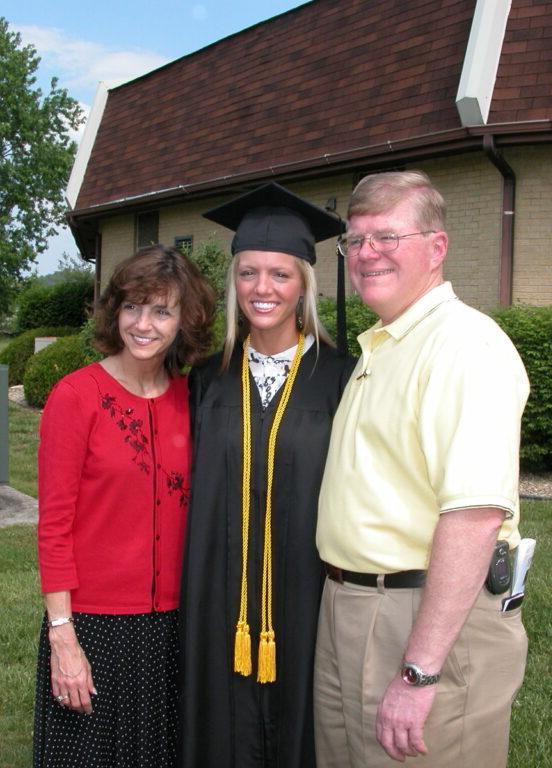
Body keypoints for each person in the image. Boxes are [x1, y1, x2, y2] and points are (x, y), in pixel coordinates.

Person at [314, 170, 530, 767]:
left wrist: (418, 672)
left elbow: (475, 518)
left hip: (420, 615)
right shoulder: (385, 345)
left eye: (386, 236)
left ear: (436, 247)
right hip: (350, 606)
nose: (366, 254)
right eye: (354, 241)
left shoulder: (463, 347)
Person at [179, 182, 356, 768]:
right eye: (249, 273)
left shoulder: (341, 378)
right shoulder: (207, 380)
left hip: (306, 591)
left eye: (280, 274)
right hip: (216, 593)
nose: (263, 288)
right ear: (234, 283)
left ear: (304, 283)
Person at [33, 245, 215, 768]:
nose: (144, 324)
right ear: (115, 311)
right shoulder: (76, 397)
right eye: (133, 306)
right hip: (95, 625)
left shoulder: (193, 398)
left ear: (185, 320)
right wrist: (62, 636)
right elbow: (55, 527)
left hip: (173, 627)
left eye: (162, 310)